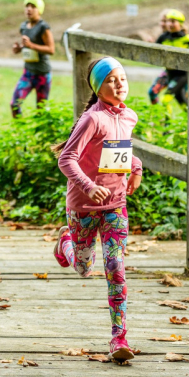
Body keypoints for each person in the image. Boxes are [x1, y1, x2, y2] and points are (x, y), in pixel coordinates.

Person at [51, 57, 142, 361]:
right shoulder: (92, 119)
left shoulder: (129, 116)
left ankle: (119, 338)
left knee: (115, 267)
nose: (119, 85)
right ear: (98, 88)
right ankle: (66, 243)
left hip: (115, 205)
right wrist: (89, 186)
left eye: (123, 79)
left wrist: (137, 168)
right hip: (84, 206)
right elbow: (67, 159)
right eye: (112, 80)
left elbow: (121, 151)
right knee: (83, 268)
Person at [11, 0, 55, 118]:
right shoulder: (23, 27)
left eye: (33, 6)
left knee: (41, 111)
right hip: (28, 73)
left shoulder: (43, 27)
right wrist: (19, 48)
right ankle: (21, 131)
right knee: (15, 104)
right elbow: (26, 47)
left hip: (42, 74)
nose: (29, 9)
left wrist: (31, 45)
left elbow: (51, 49)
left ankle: (41, 136)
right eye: (27, 6)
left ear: (39, 10)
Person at [155, 9, 189, 111]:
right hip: (170, 73)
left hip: (182, 74)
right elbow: (153, 50)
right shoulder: (163, 37)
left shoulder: (186, 38)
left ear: (180, 24)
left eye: (173, 22)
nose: (170, 24)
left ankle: (166, 125)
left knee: (165, 99)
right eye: (168, 21)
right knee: (182, 102)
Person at [147, 9, 171, 105]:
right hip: (168, 72)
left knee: (182, 99)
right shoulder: (163, 37)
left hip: (181, 75)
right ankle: (160, 118)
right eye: (162, 21)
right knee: (152, 92)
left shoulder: (180, 37)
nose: (163, 24)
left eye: (165, 21)